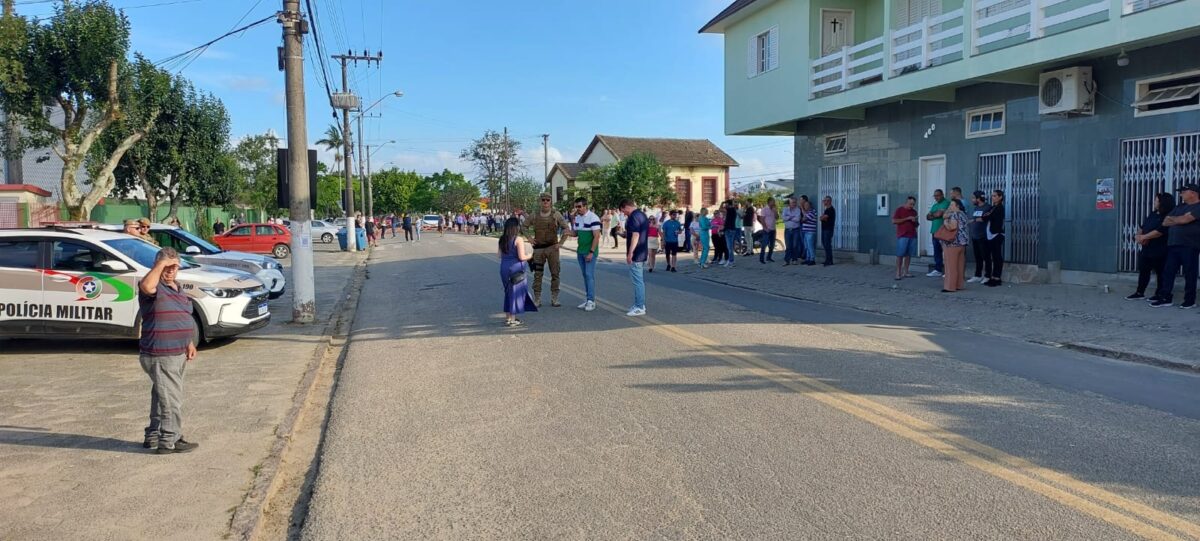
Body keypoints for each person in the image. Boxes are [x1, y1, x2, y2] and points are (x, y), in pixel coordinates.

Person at [138, 247, 198, 454]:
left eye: (174, 266)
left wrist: (188, 341)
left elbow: (183, 314)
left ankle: (153, 435)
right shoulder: (153, 287)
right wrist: (161, 264)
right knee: (171, 399)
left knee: (161, 394)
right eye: (166, 267)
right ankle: (170, 440)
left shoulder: (176, 288)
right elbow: (146, 285)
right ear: (157, 266)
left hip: (177, 351)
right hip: (160, 353)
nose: (171, 271)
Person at [1151, 184, 1200, 308]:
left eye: (1183, 191)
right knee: (1168, 272)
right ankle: (1165, 297)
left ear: (1193, 193)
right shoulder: (1180, 206)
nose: (1181, 194)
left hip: (1189, 245)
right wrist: (1180, 218)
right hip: (1173, 244)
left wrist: (1178, 219)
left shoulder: (1198, 207)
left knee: (1190, 273)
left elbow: (1185, 220)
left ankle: (1189, 300)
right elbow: (1165, 221)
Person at [525, 194, 571, 307]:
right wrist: (530, 238)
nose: (545, 202)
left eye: (547, 200)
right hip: (539, 249)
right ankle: (537, 299)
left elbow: (566, 228)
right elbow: (523, 226)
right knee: (537, 274)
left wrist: (561, 243)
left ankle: (554, 298)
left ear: (551, 202)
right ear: (540, 201)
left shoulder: (556, 214)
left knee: (555, 273)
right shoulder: (534, 215)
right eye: (543, 200)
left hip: (552, 248)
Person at [1127, 193, 1175, 301]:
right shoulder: (1153, 214)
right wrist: (1138, 236)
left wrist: (1144, 236)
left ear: (1162, 202)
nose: (1154, 202)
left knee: (1161, 272)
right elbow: (1143, 226)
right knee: (1144, 271)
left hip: (1160, 249)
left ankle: (1159, 294)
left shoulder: (1168, 216)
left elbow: (1160, 231)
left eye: (1156, 200)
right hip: (1146, 248)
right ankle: (1140, 292)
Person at [565, 197, 601, 311]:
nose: (577, 209)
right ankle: (588, 299)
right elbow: (577, 233)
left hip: (589, 252)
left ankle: (591, 300)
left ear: (585, 206)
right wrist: (570, 233)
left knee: (589, 275)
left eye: (579, 206)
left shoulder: (593, 217)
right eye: (576, 206)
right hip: (580, 251)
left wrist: (591, 252)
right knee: (585, 275)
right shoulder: (578, 218)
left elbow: (596, 236)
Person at [498, 217, 536, 326]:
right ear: (516, 227)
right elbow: (522, 256)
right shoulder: (517, 239)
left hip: (504, 267)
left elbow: (499, 255)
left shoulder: (502, 239)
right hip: (516, 268)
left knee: (508, 292)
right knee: (515, 292)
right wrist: (530, 255)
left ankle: (508, 317)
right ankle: (513, 319)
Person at [621, 199, 649, 316]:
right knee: (638, 280)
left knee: (638, 281)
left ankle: (639, 306)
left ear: (626, 207)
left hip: (637, 254)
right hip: (642, 252)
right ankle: (639, 303)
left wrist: (630, 252)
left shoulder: (633, 217)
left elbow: (636, 235)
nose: (624, 213)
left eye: (623, 211)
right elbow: (635, 233)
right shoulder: (642, 215)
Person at [939, 199, 970, 293]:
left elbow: (952, 227)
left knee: (950, 266)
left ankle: (950, 286)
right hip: (962, 243)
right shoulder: (963, 214)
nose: (950, 206)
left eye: (952, 205)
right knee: (960, 265)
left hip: (952, 243)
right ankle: (959, 285)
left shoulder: (954, 215)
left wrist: (945, 222)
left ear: (957, 206)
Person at [968, 191, 993, 284]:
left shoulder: (988, 208)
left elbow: (984, 219)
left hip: (984, 236)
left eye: (973, 198)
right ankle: (977, 275)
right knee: (977, 257)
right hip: (975, 236)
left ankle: (987, 275)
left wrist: (973, 220)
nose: (972, 200)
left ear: (978, 198)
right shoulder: (976, 208)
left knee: (986, 257)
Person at [893, 196, 919, 280]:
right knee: (900, 254)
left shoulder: (914, 212)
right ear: (906, 202)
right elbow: (894, 221)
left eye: (913, 204)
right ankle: (898, 273)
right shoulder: (899, 210)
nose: (911, 206)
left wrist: (915, 221)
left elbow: (917, 225)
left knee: (908, 255)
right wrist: (907, 218)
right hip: (903, 235)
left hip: (912, 235)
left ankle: (906, 271)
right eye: (910, 204)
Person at [984, 190, 1006, 287]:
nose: (993, 197)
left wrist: (987, 216)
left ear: (1000, 197)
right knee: (992, 256)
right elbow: (985, 216)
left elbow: (990, 217)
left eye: (995, 196)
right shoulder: (993, 207)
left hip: (996, 234)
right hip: (990, 234)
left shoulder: (1000, 208)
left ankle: (997, 277)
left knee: (997, 256)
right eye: (992, 196)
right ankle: (993, 276)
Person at [926, 189, 950, 277]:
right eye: (935, 196)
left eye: (938, 195)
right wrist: (934, 214)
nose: (936, 197)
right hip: (934, 231)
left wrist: (934, 215)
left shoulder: (946, 203)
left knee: (946, 251)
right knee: (937, 251)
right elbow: (927, 217)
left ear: (942, 195)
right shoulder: (935, 205)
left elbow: (939, 214)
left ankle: (948, 270)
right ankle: (938, 269)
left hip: (943, 231)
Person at [782, 197, 802, 266]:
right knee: (788, 246)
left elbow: (798, 219)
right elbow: (783, 218)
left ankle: (794, 259)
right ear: (789, 203)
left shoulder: (798, 209)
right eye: (793, 202)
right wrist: (792, 217)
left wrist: (788, 217)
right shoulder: (785, 209)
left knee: (795, 245)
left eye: (795, 202)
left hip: (795, 230)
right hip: (787, 230)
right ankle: (786, 260)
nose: (794, 204)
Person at [759, 198, 778, 264]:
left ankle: (769, 257)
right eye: (773, 202)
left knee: (772, 245)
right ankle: (761, 258)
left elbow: (777, 217)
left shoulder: (774, 209)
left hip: (773, 229)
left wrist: (775, 211)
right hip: (767, 230)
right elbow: (762, 219)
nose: (774, 203)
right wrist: (765, 228)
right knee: (764, 244)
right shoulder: (764, 209)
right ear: (769, 202)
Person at [801, 199, 818, 266]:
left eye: (806, 205)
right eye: (804, 205)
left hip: (810, 232)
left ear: (810, 206)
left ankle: (812, 259)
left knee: (810, 246)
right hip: (805, 232)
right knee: (807, 246)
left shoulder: (812, 212)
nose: (805, 206)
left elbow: (804, 219)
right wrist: (803, 218)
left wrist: (802, 208)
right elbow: (802, 220)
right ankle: (807, 259)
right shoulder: (807, 212)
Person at [819, 196, 836, 266]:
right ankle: (828, 259)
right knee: (825, 244)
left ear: (829, 201)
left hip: (828, 230)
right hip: (825, 229)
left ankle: (829, 261)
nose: (823, 202)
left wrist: (823, 217)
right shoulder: (826, 210)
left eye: (825, 201)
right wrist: (822, 217)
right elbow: (821, 218)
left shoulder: (830, 210)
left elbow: (823, 218)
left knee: (827, 245)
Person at [722, 200, 739, 267]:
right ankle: (731, 260)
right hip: (732, 229)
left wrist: (722, 203)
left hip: (728, 230)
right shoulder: (734, 210)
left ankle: (730, 261)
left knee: (729, 247)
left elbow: (721, 209)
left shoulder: (729, 209)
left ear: (728, 204)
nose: (725, 205)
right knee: (730, 246)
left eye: (726, 204)